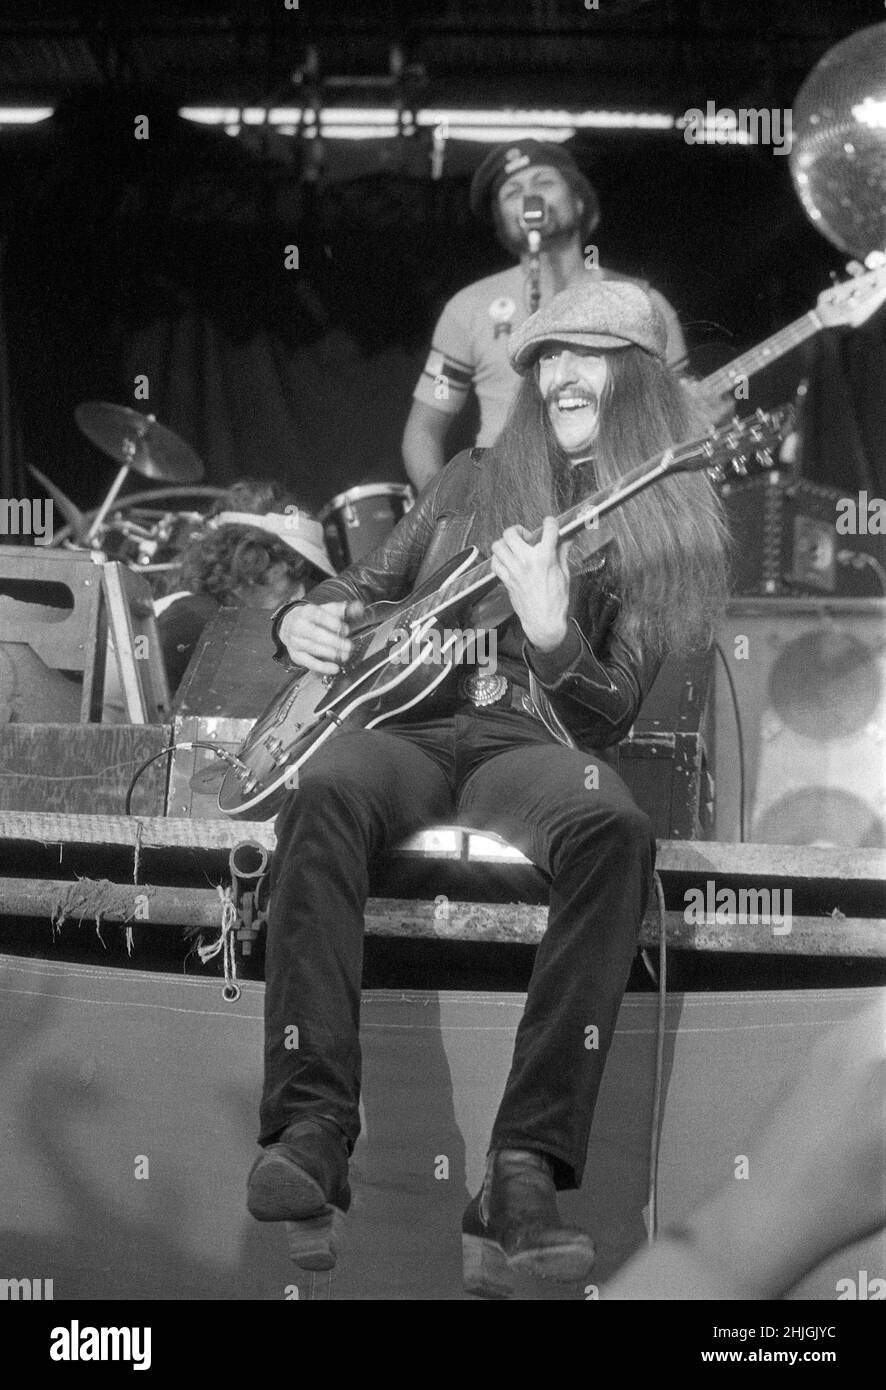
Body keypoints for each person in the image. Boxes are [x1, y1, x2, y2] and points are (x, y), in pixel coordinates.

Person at [247, 279, 728, 1297]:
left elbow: (611, 716)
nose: (555, 372)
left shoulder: (662, 513)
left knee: (612, 824)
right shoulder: (469, 474)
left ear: (635, 377)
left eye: (584, 353)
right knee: (325, 787)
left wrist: (553, 633)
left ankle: (522, 1169)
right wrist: (300, 620)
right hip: (405, 728)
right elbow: (365, 588)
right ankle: (310, 1127)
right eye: (544, 356)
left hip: (526, 740)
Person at [402, 139, 688, 491]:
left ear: (579, 201)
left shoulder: (642, 303)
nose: (529, 197)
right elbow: (424, 428)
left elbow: (684, 414)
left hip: (618, 502)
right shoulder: (469, 308)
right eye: (512, 192)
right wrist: (447, 516)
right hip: (503, 510)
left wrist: (706, 414)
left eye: (545, 183)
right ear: (501, 221)